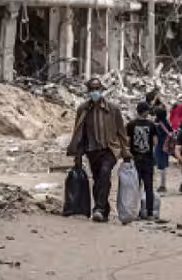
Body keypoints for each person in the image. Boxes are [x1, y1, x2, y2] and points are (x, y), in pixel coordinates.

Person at [66, 78, 131, 222]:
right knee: (99, 180)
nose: (95, 92)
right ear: (88, 91)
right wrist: (77, 153)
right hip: (92, 150)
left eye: (97, 89)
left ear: (102, 90)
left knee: (105, 172)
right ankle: (104, 209)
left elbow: (121, 132)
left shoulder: (113, 109)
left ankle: (99, 209)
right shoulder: (83, 109)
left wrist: (126, 152)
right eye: (92, 89)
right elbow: (78, 132)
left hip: (109, 149)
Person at [127, 102, 159, 219]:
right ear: (145, 112)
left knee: (135, 187)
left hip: (135, 160)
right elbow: (155, 142)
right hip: (148, 160)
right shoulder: (151, 125)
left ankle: (135, 211)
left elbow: (127, 141)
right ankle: (149, 212)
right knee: (148, 187)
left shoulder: (131, 125)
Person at [145, 89, 173, 192]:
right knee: (160, 163)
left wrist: (154, 100)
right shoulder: (161, 109)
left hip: (161, 140)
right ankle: (160, 184)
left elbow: (151, 110)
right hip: (162, 139)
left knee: (160, 163)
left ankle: (162, 185)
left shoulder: (159, 110)